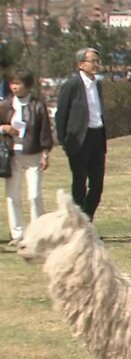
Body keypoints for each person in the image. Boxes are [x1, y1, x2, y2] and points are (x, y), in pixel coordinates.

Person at [0, 69, 53, 246]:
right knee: (12, 195)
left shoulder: (38, 105)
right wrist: (4, 129)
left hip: (33, 154)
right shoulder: (6, 104)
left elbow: (45, 130)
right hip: (12, 154)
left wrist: (45, 153)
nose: (14, 87)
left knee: (34, 195)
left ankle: (38, 233)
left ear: (27, 85)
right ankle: (17, 233)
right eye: (12, 83)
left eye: (18, 83)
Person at [55, 47, 107, 222]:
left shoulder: (97, 84)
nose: (96, 64)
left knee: (97, 185)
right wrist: (64, 141)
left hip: (97, 137)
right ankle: (78, 225)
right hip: (78, 140)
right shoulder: (71, 85)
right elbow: (61, 114)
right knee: (79, 183)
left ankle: (86, 220)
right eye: (92, 61)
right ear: (81, 64)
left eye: (97, 61)